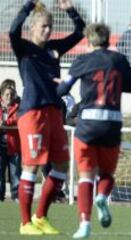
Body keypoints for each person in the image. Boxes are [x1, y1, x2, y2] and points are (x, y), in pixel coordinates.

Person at [56, 23, 131, 238]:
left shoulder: (82, 60)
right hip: (111, 123)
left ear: (89, 39)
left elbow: (63, 90)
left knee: (86, 176)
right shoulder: (119, 60)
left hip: (87, 124)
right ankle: (102, 196)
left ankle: (85, 223)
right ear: (107, 38)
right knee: (107, 174)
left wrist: (60, 83)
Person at [9, 0, 85, 235]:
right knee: (31, 165)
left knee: (61, 164)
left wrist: (70, 10)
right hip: (33, 112)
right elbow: (12, 30)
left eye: (50, 26)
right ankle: (25, 223)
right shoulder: (23, 47)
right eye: (43, 26)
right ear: (32, 28)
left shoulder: (54, 48)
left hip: (55, 112)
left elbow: (81, 31)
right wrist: (30, 5)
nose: (48, 30)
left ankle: (40, 216)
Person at [0, 84, 21, 202]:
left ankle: (16, 198)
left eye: (11, 94)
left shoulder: (18, 107)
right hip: (0, 147)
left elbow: (19, 119)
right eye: (7, 94)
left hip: (14, 147)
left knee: (15, 175)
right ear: (2, 96)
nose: (9, 96)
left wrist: (5, 122)